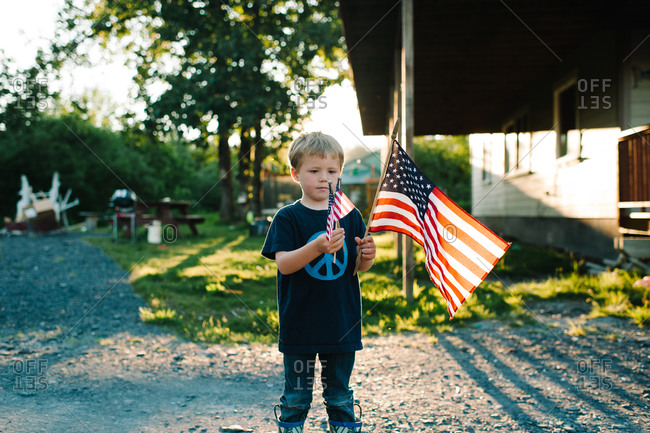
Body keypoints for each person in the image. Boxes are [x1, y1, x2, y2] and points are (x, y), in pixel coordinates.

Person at [262, 132, 376, 433]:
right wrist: (316, 248)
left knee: (339, 394)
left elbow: (354, 269)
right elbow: (284, 265)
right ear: (295, 173)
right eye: (314, 171)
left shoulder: (349, 216)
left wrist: (367, 256)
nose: (324, 179)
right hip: (300, 324)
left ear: (340, 173)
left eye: (332, 171)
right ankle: (290, 427)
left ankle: (344, 427)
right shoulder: (287, 218)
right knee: (297, 397)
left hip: (341, 324)